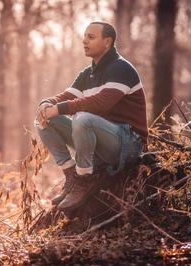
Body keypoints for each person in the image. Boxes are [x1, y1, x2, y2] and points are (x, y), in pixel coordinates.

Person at [34, 21, 148, 211]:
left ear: (107, 42)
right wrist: (46, 104)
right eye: (85, 36)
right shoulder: (87, 74)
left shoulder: (122, 69)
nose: (84, 41)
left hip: (128, 144)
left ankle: (85, 178)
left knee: (83, 118)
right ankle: (72, 177)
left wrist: (60, 108)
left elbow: (101, 103)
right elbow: (66, 97)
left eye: (91, 37)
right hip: (101, 139)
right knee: (44, 120)